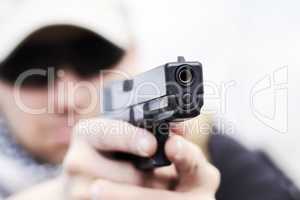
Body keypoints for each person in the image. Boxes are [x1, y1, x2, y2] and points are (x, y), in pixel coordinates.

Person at [0, 0, 298, 200]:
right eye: (29, 67)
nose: (68, 98)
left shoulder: (203, 145)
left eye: (92, 55)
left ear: (133, 57)